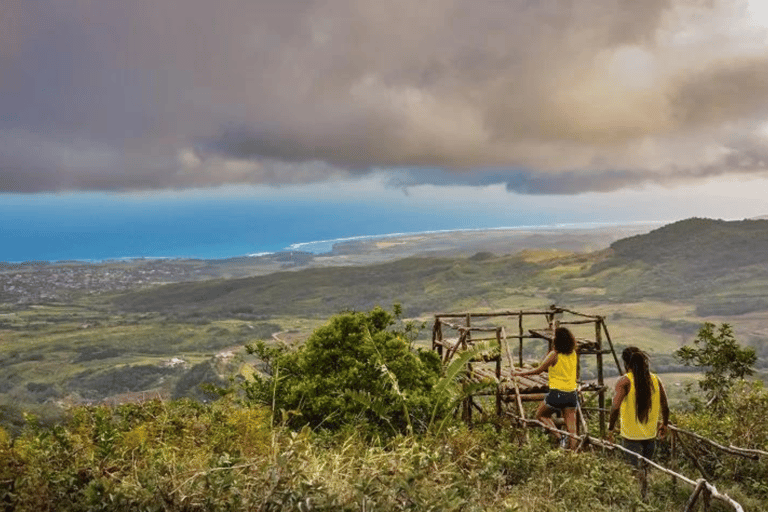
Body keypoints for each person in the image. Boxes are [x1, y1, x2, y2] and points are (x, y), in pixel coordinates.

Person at [608, 347, 670, 499]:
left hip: (631, 437)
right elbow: (665, 406)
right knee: (645, 470)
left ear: (626, 363)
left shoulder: (624, 381)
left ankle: (639, 501)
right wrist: (665, 424)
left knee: (634, 472)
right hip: (650, 436)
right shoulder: (655, 379)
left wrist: (610, 430)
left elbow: (615, 407)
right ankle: (645, 498)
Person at [511, 326, 578, 449]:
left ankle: (559, 437)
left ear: (558, 341)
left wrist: (519, 373)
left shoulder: (554, 355)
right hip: (572, 393)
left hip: (557, 392)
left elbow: (538, 370)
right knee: (572, 429)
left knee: (541, 415)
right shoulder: (573, 353)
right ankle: (574, 454)